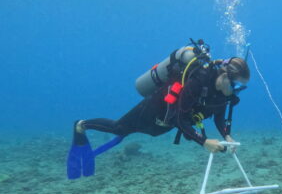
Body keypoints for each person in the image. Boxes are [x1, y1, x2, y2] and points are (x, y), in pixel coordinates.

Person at [66, 54, 250, 179]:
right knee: (119, 128)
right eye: (236, 85)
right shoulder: (198, 81)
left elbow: (219, 116)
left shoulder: (221, 95)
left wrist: (227, 135)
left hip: (163, 124)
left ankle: (126, 130)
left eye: (242, 87)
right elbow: (180, 119)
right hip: (153, 109)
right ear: (225, 76)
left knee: (142, 131)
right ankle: (81, 125)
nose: (236, 92)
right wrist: (204, 142)